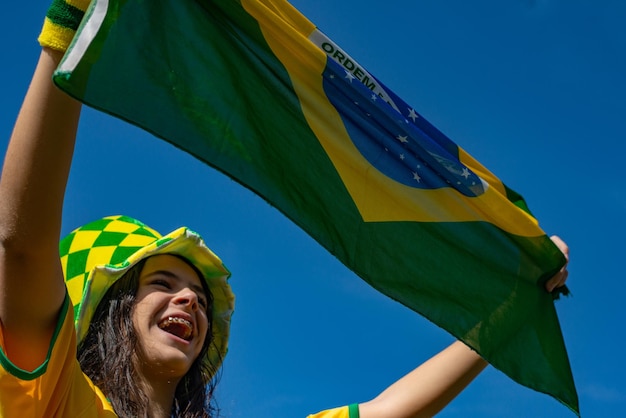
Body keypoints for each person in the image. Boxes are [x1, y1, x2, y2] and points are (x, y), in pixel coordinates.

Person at [0, 1, 570, 417]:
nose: (190, 300)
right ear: (108, 309)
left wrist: (510, 304)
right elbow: (21, 248)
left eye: (198, 296)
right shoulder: (58, 397)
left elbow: (390, 411)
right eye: (163, 280)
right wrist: (69, 31)